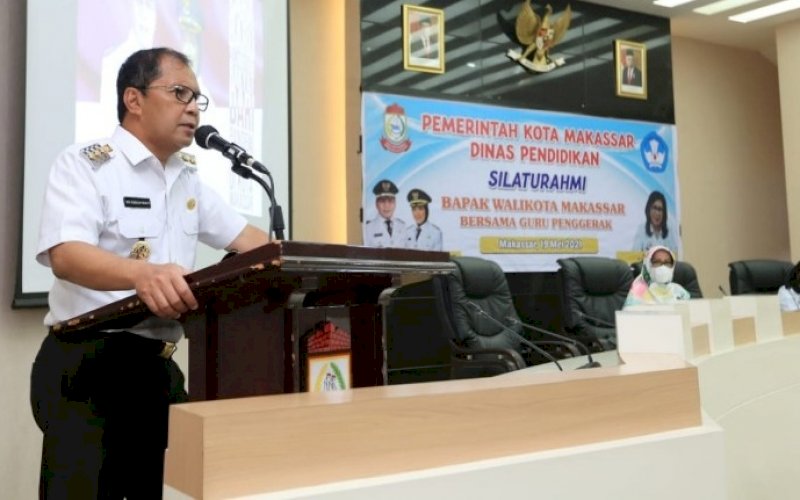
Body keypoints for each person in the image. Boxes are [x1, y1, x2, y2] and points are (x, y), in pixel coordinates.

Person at [30, 47, 270, 499]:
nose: (193, 108)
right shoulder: (85, 164)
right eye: (180, 93)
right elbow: (65, 253)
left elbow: (248, 240)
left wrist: (294, 259)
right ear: (134, 99)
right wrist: (142, 275)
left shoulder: (188, 178)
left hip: (157, 371)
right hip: (89, 365)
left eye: (198, 98)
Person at [624, 245, 690, 307]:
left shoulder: (679, 291)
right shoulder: (638, 291)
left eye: (667, 262)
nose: (663, 266)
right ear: (648, 265)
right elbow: (630, 318)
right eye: (657, 262)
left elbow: (689, 317)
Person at [363, 179, 406, 248]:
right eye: (382, 201)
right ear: (376, 204)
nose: (386, 205)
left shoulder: (402, 226)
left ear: (395, 203)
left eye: (390, 201)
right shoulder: (367, 229)